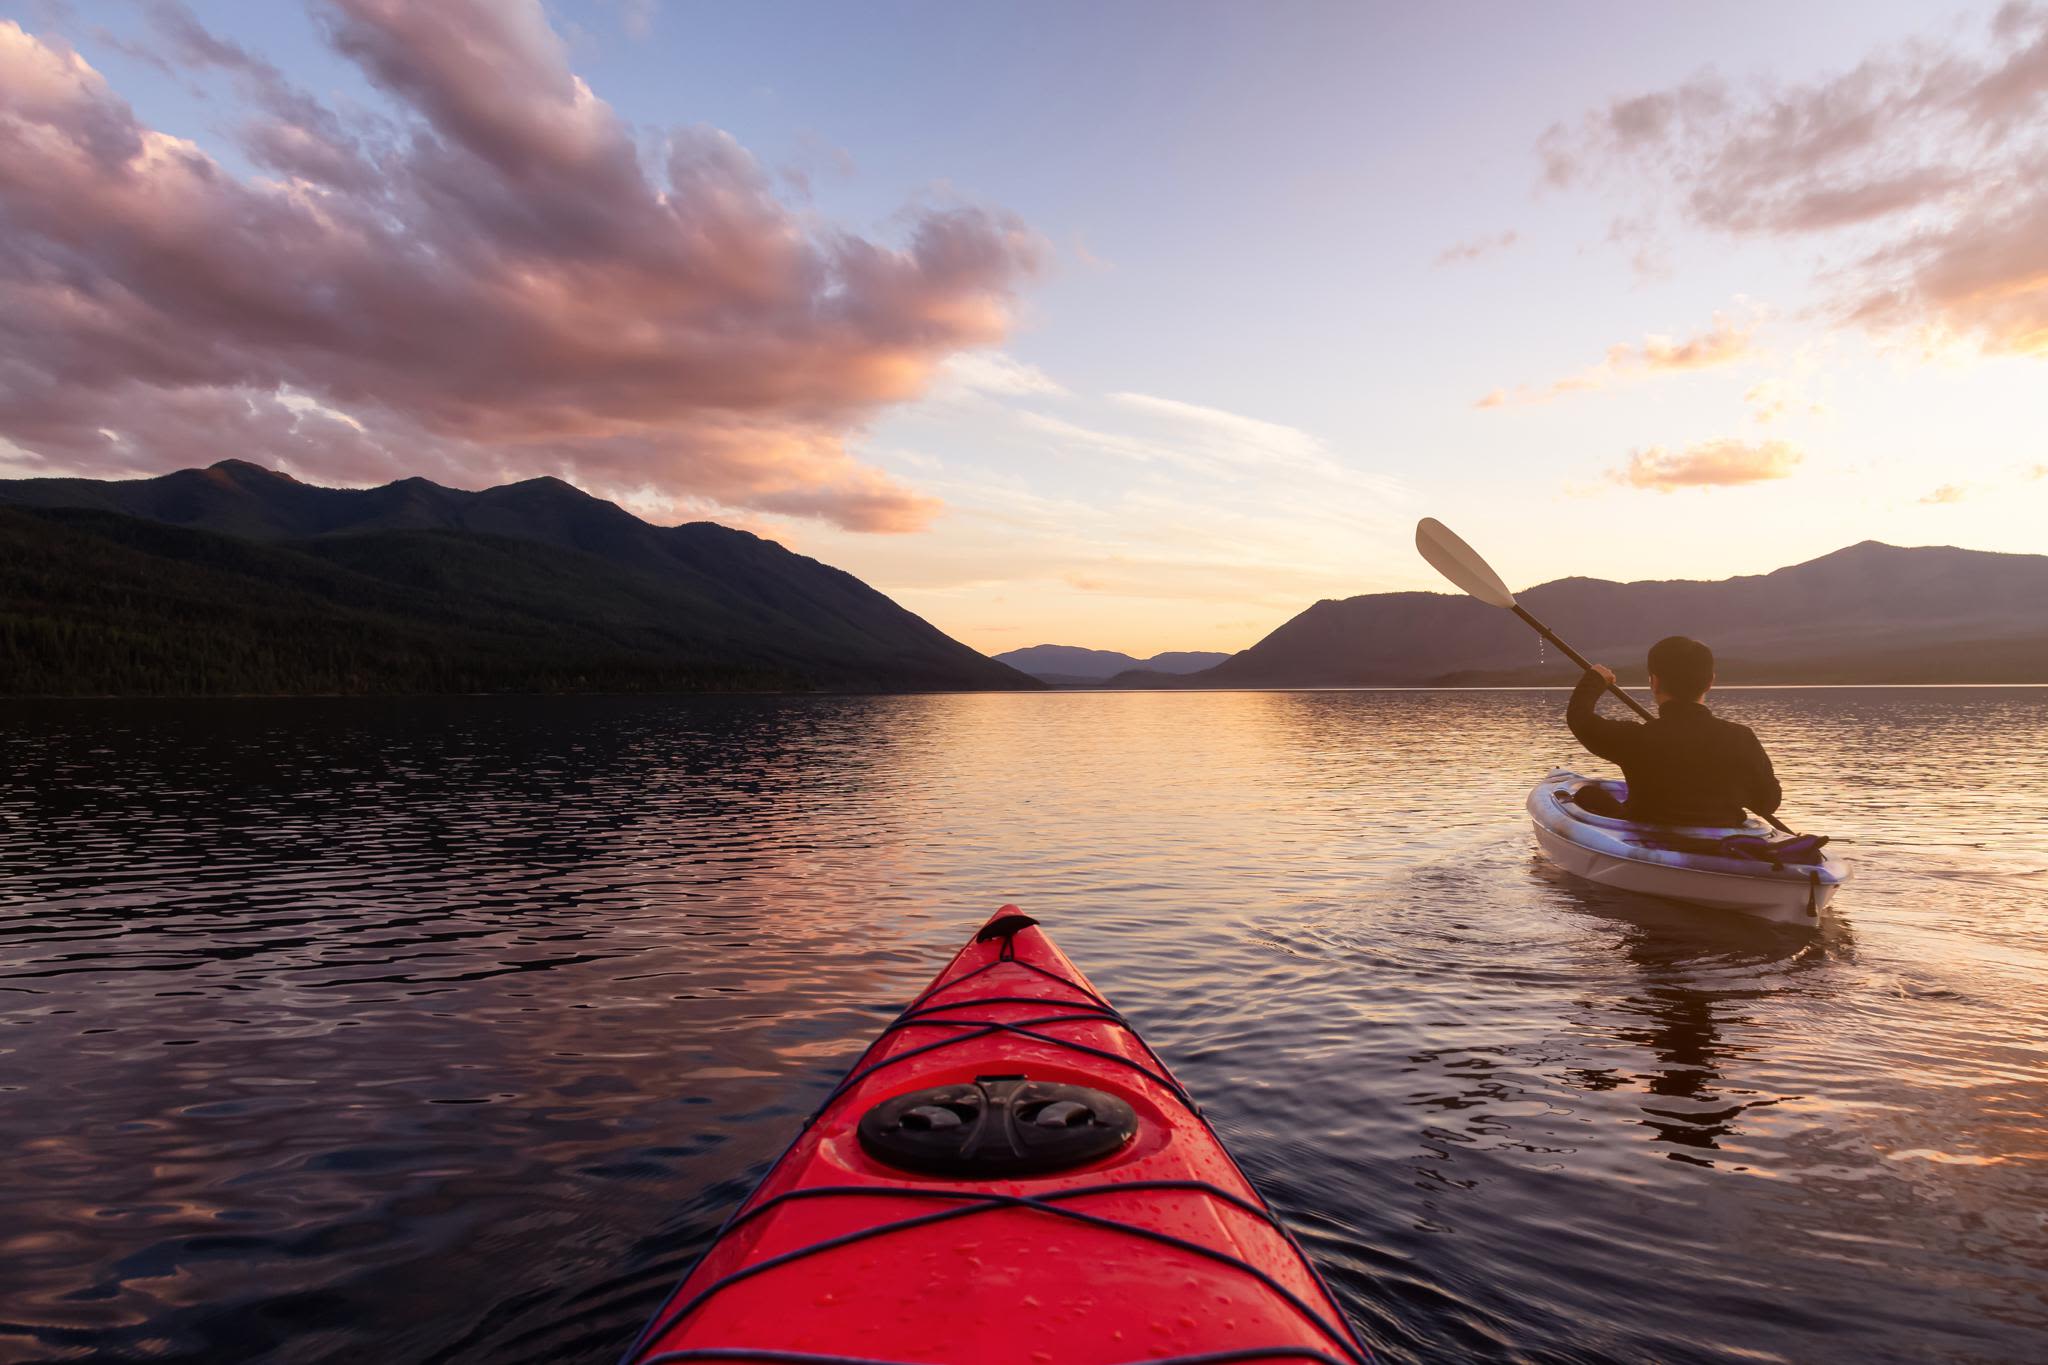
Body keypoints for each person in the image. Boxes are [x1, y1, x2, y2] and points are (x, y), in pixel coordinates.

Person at [1567, 635, 1780, 827]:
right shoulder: (1742, 738)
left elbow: (1580, 719)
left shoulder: (1635, 738)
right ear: (1709, 682)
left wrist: (1595, 679)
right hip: (1722, 840)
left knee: (1588, 796)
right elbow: (1768, 803)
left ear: (1654, 681)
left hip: (1649, 835)